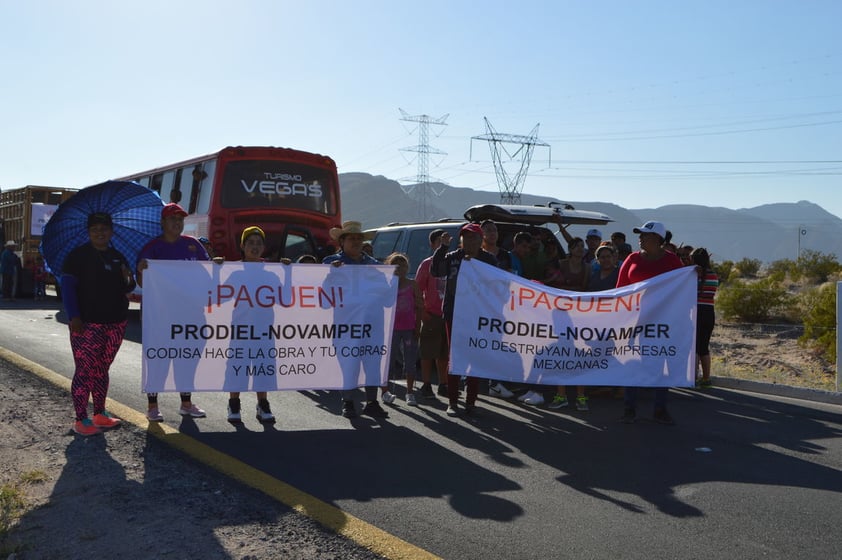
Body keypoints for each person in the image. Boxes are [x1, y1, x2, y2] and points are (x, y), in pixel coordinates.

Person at [61, 212, 136, 436]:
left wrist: (128, 277)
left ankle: (100, 414)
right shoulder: (77, 256)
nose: (100, 232)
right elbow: (66, 288)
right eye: (95, 229)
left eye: (104, 228)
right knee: (85, 371)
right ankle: (81, 419)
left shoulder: (118, 256)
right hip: (87, 324)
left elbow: (128, 288)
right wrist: (74, 316)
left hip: (116, 323)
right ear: (88, 232)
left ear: (111, 232)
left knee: (102, 369)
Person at [136, 203, 208, 422]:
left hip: (190, 315)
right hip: (160, 316)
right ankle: (152, 406)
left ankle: (186, 403)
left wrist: (218, 266)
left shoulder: (193, 245)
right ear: (163, 222)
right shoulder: (152, 248)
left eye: (180, 219)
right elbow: (141, 282)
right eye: (172, 219)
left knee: (187, 358)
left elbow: (208, 273)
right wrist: (141, 270)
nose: (177, 223)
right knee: (159, 360)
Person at [616, 221, 683, 425]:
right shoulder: (632, 258)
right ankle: (629, 409)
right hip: (634, 321)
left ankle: (660, 409)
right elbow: (620, 289)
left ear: (658, 240)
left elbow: (682, 286)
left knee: (660, 363)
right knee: (632, 363)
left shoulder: (672, 261)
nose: (640, 238)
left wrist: (694, 273)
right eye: (641, 234)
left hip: (661, 323)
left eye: (645, 235)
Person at [322, 220, 388, 419]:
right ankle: (348, 401)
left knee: (372, 361)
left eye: (359, 238)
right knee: (348, 362)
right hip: (345, 323)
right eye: (352, 238)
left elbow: (386, 296)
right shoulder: (330, 263)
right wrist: (330, 276)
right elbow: (323, 298)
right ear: (342, 242)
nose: (356, 242)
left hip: (372, 322)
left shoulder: (375, 265)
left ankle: (372, 402)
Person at [431, 222, 498, 416]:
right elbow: (436, 271)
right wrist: (442, 247)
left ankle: (471, 402)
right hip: (454, 314)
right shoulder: (453, 257)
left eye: (473, 237)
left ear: (480, 240)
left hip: (478, 315)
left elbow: (497, 285)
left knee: (474, 356)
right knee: (455, 357)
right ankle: (452, 402)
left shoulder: (489, 260)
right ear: (461, 240)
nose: (469, 241)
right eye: (466, 237)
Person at [224, 226, 276, 423]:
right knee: (237, 366)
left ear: (263, 247)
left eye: (258, 243)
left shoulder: (272, 271)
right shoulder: (233, 270)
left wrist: (288, 272)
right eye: (250, 243)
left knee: (262, 366)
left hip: (264, 329)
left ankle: (263, 405)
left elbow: (286, 298)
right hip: (241, 329)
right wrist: (217, 269)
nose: (255, 247)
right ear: (242, 246)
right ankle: (233, 404)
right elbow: (218, 294)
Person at [481, 220, 516, 399]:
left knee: (497, 343)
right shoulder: (475, 255)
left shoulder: (505, 255)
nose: (492, 233)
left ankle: (494, 383)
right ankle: (469, 379)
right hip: (479, 306)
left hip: (500, 306)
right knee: (479, 342)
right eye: (488, 230)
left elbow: (510, 278)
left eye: (494, 230)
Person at [415, 229, 451, 400]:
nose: (443, 244)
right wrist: (422, 312)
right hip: (431, 314)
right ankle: (426, 384)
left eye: (446, 240)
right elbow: (417, 289)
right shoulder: (426, 264)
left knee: (444, 353)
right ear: (432, 244)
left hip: (448, 315)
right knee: (427, 352)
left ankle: (443, 384)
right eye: (439, 241)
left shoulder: (451, 262)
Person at [383, 253, 423, 406]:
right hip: (391, 330)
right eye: (396, 265)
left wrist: (417, 326)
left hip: (409, 329)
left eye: (404, 265)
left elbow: (420, 307)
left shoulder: (413, 284)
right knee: (389, 361)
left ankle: (410, 392)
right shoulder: (387, 284)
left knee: (410, 361)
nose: (400, 268)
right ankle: (385, 391)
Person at [692, 247, 719, 388]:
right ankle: (706, 378)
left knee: (694, 347)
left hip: (696, 311)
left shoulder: (693, 275)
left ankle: (693, 378)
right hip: (709, 312)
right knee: (704, 347)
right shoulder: (713, 275)